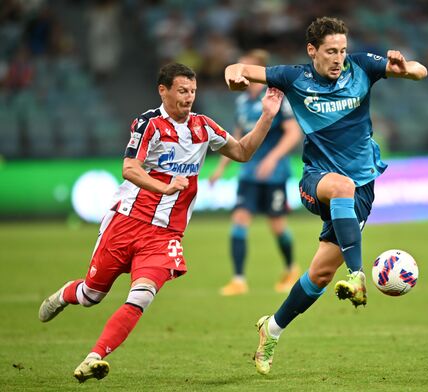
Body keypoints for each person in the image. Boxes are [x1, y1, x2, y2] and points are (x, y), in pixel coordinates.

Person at [38, 63, 284, 383]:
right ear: (163, 91)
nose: (189, 98)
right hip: (126, 222)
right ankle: (65, 295)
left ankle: (94, 357)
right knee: (91, 295)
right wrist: (163, 187)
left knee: (141, 295)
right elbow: (130, 168)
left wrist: (267, 116)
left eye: (193, 92)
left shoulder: (203, 127)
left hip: (166, 233)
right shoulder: (148, 125)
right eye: (182, 91)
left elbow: (242, 152)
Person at [225, 16, 428, 375]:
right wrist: (233, 75)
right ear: (312, 51)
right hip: (316, 181)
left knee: (319, 275)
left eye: (342, 50)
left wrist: (406, 69)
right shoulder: (293, 77)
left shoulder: (363, 67)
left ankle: (271, 329)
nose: (338, 58)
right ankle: (358, 275)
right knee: (340, 185)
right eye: (331, 51)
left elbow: (420, 70)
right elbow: (239, 67)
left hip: (362, 189)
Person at [210, 49, 302, 296]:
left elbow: (294, 132)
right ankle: (238, 279)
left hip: (275, 175)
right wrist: (220, 169)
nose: (242, 73)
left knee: (277, 225)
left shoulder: (275, 97)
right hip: (249, 173)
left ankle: (291, 269)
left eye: (247, 68)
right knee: (239, 220)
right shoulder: (242, 102)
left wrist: (272, 159)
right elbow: (236, 139)